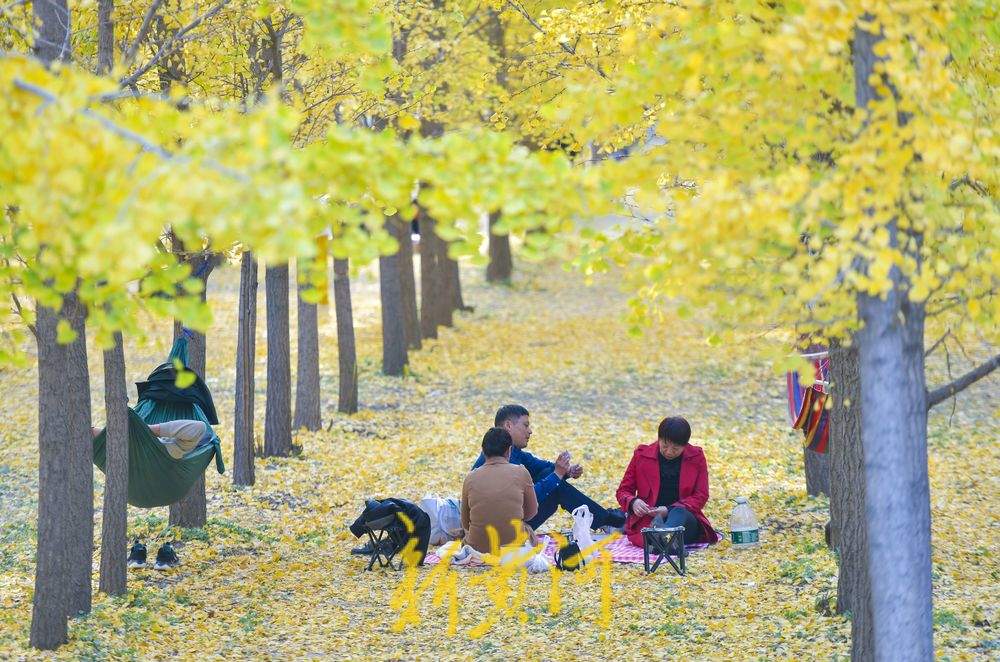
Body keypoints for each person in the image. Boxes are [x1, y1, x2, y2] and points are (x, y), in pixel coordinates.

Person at [472, 405, 626, 532]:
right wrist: (557, 475)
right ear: (508, 426)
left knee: (549, 476)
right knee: (555, 486)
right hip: (501, 532)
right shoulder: (501, 461)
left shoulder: (514, 452)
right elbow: (520, 501)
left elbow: (543, 467)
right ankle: (608, 521)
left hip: (498, 525)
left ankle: (606, 520)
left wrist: (565, 471)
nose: (530, 431)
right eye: (525, 425)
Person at [90, 418, 212, 570]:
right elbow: (199, 428)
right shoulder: (176, 449)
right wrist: (144, 432)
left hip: (135, 462)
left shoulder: (172, 449)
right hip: (144, 459)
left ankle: (139, 555)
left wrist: (145, 430)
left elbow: (199, 428)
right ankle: (163, 556)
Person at [615, 416, 717, 549]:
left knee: (678, 512)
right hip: (649, 521)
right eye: (665, 446)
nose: (669, 452)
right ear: (659, 438)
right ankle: (665, 541)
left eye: (675, 449)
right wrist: (633, 502)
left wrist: (668, 510)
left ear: (685, 446)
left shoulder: (696, 457)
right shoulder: (642, 455)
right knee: (653, 529)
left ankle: (662, 537)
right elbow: (623, 491)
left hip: (684, 520)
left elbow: (701, 495)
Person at [461, 427, 538, 553]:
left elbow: (465, 522)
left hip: (477, 548)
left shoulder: (470, 477)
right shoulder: (521, 472)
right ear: (509, 451)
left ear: (483, 452)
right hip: (515, 547)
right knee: (527, 530)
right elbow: (532, 512)